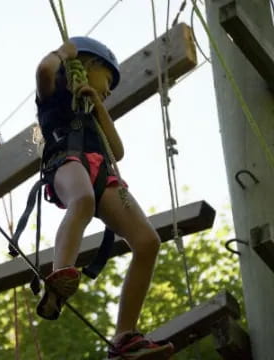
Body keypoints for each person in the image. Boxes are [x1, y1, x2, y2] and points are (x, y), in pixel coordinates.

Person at [34, 36, 174, 359]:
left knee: (148, 242)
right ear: (88, 65)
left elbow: (118, 150)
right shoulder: (54, 96)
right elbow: (44, 71)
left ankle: (124, 335)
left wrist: (97, 103)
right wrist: (63, 53)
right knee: (81, 199)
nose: (110, 89)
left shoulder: (94, 107)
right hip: (66, 163)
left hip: (103, 174)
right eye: (108, 79)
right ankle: (60, 276)